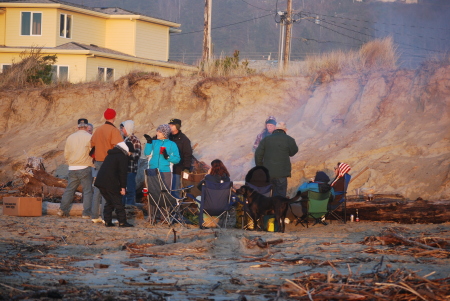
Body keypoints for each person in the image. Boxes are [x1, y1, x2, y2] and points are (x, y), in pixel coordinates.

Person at [90, 108, 124, 223]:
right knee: (108, 189)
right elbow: (119, 147)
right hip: (109, 163)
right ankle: (106, 217)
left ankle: (94, 216)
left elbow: (92, 143)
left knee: (98, 188)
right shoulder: (114, 131)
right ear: (114, 117)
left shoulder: (98, 129)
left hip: (98, 162)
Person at [58, 118, 94, 218]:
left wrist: (70, 163)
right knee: (87, 191)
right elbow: (93, 152)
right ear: (87, 127)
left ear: (77, 127)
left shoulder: (70, 137)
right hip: (85, 166)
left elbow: (66, 154)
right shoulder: (89, 137)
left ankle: (62, 210)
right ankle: (86, 213)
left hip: (72, 167)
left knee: (70, 189)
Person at [94, 141, 134, 227]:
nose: (130, 155)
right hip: (110, 182)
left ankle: (107, 221)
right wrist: (123, 187)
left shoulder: (111, 154)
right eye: (130, 152)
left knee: (109, 202)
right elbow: (122, 173)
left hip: (101, 181)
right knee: (118, 202)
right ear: (127, 150)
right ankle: (122, 222)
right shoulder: (122, 156)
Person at [254, 121, 298, 197]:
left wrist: (260, 168)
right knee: (279, 198)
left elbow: (258, 155)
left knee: (265, 196)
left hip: (267, 174)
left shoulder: (266, 139)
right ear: (286, 130)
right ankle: (277, 209)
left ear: (275, 128)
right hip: (281, 174)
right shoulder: (289, 140)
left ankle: (267, 208)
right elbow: (292, 152)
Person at [143, 124, 180, 190]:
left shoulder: (172, 144)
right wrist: (149, 143)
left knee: (165, 193)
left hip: (165, 172)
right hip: (152, 171)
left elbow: (177, 159)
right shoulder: (153, 142)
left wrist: (167, 156)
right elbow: (146, 153)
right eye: (157, 131)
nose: (157, 133)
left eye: (159, 132)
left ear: (165, 134)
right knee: (153, 192)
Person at [168, 118, 193, 198]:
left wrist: (186, 168)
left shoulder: (184, 140)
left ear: (177, 127)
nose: (169, 126)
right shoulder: (167, 137)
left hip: (177, 169)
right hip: (166, 168)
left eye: (172, 125)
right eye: (169, 124)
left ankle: (176, 208)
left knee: (175, 190)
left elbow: (187, 155)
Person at [120, 120, 141, 205]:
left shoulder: (135, 140)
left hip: (130, 170)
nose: (121, 130)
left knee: (130, 190)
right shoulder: (123, 140)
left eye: (123, 128)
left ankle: (130, 210)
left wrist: (126, 155)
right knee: (122, 191)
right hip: (122, 170)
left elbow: (137, 155)